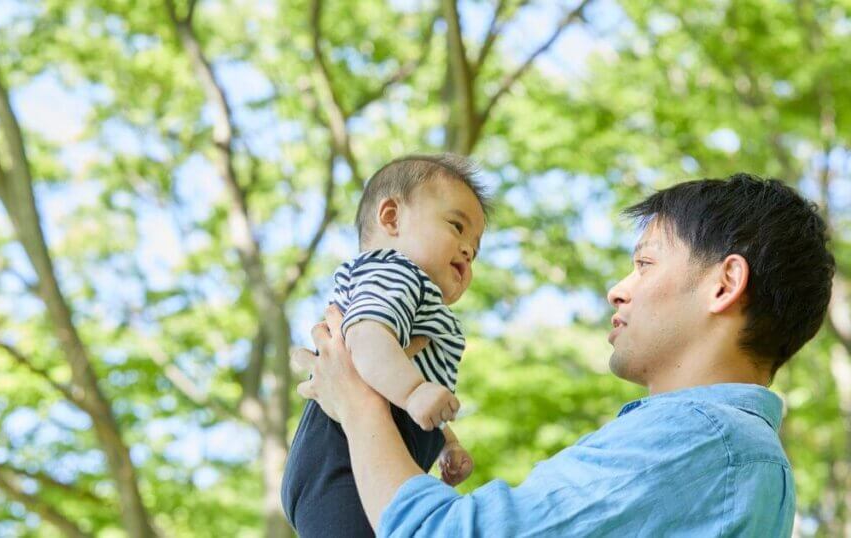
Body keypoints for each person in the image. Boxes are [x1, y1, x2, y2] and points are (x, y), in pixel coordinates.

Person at [292, 173, 834, 536]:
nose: (618, 289)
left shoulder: (698, 440)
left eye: (645, 264)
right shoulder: (743, 459)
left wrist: (360, 405)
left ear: (724, 284)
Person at [281, 154, 490, 537]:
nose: (465, 250)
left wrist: (446, 443)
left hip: (363, 451)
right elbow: (364, 337)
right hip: (340, 452)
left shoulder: (419, 299)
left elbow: (418, 369)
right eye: (456, 227)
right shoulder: (396, 271)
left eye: (474, 250)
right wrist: (414, 393)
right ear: (391, 218)